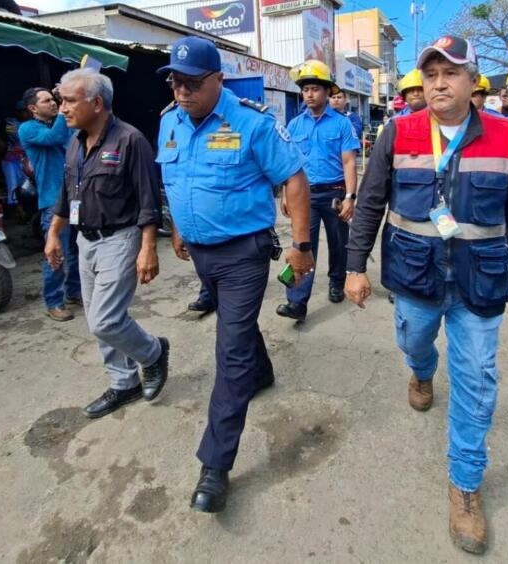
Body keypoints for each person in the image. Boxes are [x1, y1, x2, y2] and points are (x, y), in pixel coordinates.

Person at [345, 35, 508, 554]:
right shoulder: (397, 131)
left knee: (477, 380)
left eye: (451, 73)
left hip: (479, 284)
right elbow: (370, 204)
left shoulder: (506, 137)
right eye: (430, 74)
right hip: (414, 279)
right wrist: (354, 267)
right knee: (413, 342)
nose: (439, 82)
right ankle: (421, 369)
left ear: (473, 81)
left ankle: (466, 486)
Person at [156, 36, 313, 513]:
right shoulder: (168, 122)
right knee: (237, 328)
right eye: (174, 81)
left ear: (218, 80)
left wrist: (302, 246)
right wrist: (179, 230)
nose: (181, 91)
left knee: (229, 350)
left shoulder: (251, 122)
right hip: (200, 252)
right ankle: (260, 372)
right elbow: (175, 181)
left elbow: (294, 178)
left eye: (192, 83)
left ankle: (215, 464)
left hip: (243, 254)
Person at [44, 68, 170, 417]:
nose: (62, 108)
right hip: (84, 241)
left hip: (121, 238)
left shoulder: (131, 140)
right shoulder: (75, 142)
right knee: (96, 318)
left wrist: (147, 248)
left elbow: (149, 200)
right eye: (60, 101)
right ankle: (123, 382)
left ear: (96, 103)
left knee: (104, 319)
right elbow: (67, 192)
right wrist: (54, 233)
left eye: (69, 101)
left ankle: (153, 353)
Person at [276, 59, 359, 321]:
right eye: (305, 89)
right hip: (304, 196)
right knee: (302, 246)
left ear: (327, 92)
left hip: (334, 192)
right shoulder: (294, 125)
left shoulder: (342, 124)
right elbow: (287, 164)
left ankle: (336, 282)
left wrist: (350, 197)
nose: (309, 94)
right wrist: (286, 194)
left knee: (338, 244)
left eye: (315, 89)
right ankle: (297, 303)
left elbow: (349, 162)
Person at [19, 87, 82, 322]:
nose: (54, 103)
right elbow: (54, 138)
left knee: (76, 247)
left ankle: (74, 291)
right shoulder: (28, 129)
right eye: (48, 101)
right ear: (33, 108)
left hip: (74, 197)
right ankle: (54, 301)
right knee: (56, 251)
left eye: (54, 99)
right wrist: (64, 108)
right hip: (53, 202)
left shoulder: (63, 124)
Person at [1, 100, 29, 206]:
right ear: (17, 113)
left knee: (26, 186)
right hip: (12, 161)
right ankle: (18, 212)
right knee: (13, 186)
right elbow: (20, 138)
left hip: (23, 160)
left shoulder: (27, 124)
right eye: (24, 111)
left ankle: (26, 212)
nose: (27, 114)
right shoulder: (11, 124)